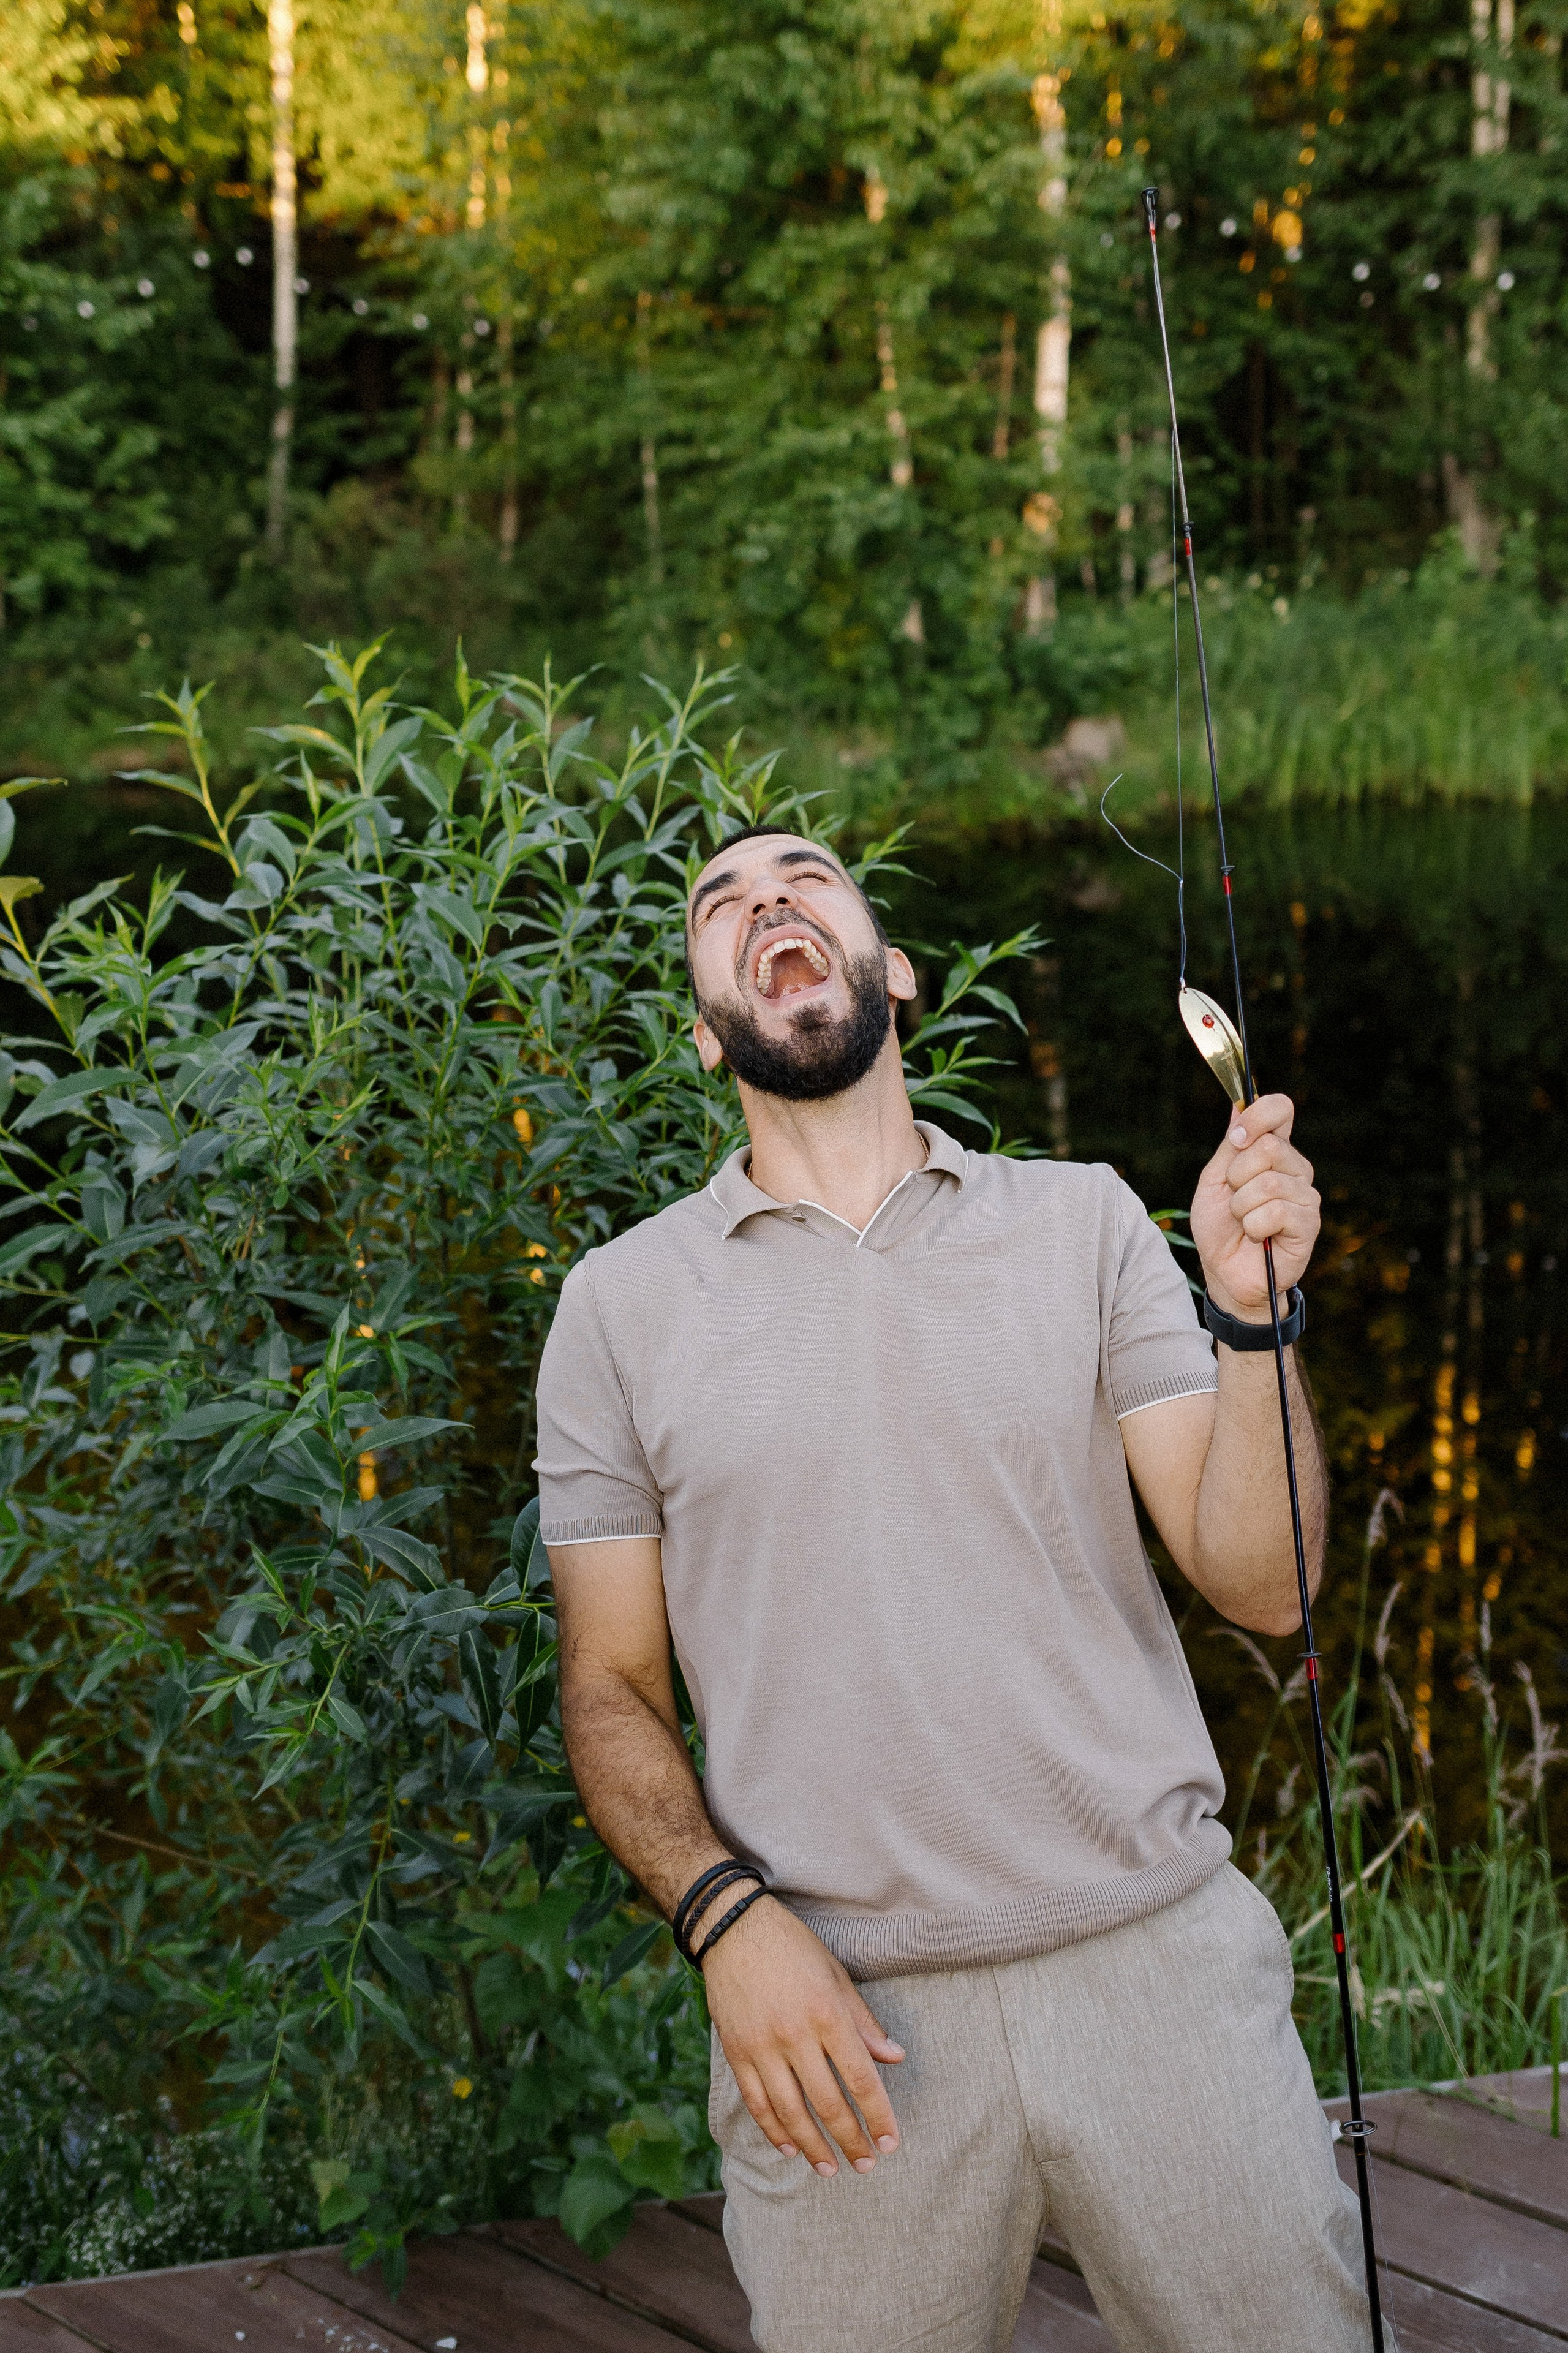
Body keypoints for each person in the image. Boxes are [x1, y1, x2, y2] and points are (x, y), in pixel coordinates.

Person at [535, 825, 1380, 2353]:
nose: (765, 903)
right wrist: (727, 1922)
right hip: (836, 2017)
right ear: (703, 1024)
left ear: (894, 971)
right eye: (718, 905)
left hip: (1159, 1965)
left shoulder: (1083, 1221)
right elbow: (607, 1687)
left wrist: (1253, 1323)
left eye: (804, 880)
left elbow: (1266, 1585)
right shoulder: (616, 1309)